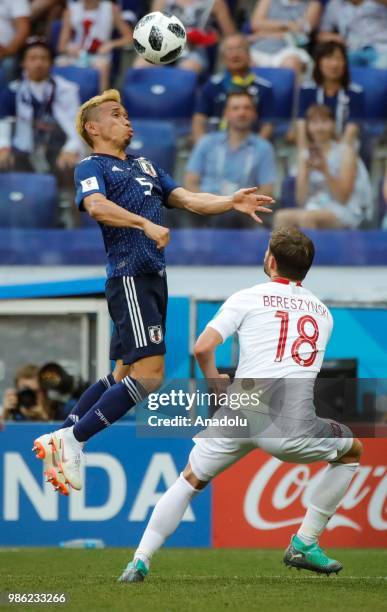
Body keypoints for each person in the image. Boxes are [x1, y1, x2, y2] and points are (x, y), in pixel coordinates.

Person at [32, 88, 273, 496]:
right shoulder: (91, 165)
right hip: (130, 276)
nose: (126, 119)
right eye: (115, 114)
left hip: (153, 279)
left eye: (126, 113)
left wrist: (229, 200)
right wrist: (145, 225)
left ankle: (60, 434)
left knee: (123, 373)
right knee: (150, 377)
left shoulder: (145, 165)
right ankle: (74, 440)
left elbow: (189, 200)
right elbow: (96, 206)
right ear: (93, 128)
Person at [118, 227, 362, 582]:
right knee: (351, 450)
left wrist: (216, 382)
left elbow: (202, 347)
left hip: (242, 403)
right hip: (288, 420)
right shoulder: (323, 314)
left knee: (188, 480)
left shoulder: (247, 297)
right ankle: (305, 542)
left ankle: (139, 562)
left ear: (271, 260)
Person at [0, 37, 83, 225]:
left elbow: (77, 126)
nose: (38, 63)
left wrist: (70, 149)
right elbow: (3, 123)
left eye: (43, 58)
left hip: (56, 149)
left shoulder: (66, 89)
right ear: (23, 63)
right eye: (33, 58)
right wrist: (3, 147)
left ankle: (70, 220)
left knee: (69, 165)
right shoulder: (13, 91)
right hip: (23, 152)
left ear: (51, 62)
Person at [186, 91, 276, 227]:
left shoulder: (263, 148)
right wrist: (210, 203)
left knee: (228, 218)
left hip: (241, 211)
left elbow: (267, 190)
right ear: (226, 114)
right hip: (205, 207)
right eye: (235, 108)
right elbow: (190, 182)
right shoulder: (207, 142)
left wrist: (238, 203)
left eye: (247, 108)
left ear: (254, 114)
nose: (242, 113)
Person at [275, 104, 372, 229]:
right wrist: (306, 172)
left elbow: (343, 198)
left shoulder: (346, 152)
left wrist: (325, 170)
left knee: (307, 218)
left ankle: (312, 250)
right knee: (281, 217)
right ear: (308, 127)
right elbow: (301, 200)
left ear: (333, 125)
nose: (319, 128)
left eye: (324, 121)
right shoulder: (304, 155)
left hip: (344, 209)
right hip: (314, 206)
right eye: (314, 122)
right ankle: (277, 249)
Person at [192, 33, 274, 144]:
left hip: (251, 148)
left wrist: (256, 150)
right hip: (215, 147)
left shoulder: (265, 88)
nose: (235, 54)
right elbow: (198, 120)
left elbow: (268, 125)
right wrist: (203, 148)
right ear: (222, 57)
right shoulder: (211, 86)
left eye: (240, 49)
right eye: (229, 50)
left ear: (249, 54)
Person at [134, 0, 236, 74]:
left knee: (184, 73)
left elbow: (230, 36)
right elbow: (149, 27)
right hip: (161, 45)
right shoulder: (163, 1)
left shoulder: (215, 3)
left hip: (194, 49)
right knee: (139, 68)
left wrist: (209, 37)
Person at [297, 42, 364, 147]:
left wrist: (336, 156)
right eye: (328, 58)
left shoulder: (355, 92)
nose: (334, 64)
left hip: (344, 149)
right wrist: (304, 153)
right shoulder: (306, 91)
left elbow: (352, 130)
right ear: (318, 62)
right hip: (313, 149)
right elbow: (301, 125)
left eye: (339, 59)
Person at [57, 0, 133, 92]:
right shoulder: (71, 10)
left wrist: (111, 44)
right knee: (60, 63)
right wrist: (69, 48)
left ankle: (101, 101)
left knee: (103, 66)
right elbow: (61, 46)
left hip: (99, 55)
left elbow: (130, 37)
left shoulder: (110, 8)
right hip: (77, 54)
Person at [249, 0, 322, 75]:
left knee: (292, 62)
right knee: (244, 60)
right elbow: (255, 25)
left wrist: (263, 34)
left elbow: (301, 35)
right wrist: (288, 24)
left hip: (291, 49)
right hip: (259, 47)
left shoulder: (313, 4)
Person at [318, 0, 387, 68]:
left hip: (381, 48)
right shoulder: (335, 4)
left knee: (382, 66)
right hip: (352, 50)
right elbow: (321, 35)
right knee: (336, 65)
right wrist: (335, 38)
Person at [0, 0, 31, 80]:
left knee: (9, 64)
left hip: (8, 52)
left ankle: (9, 92)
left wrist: (8, 51)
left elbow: (23, 29)